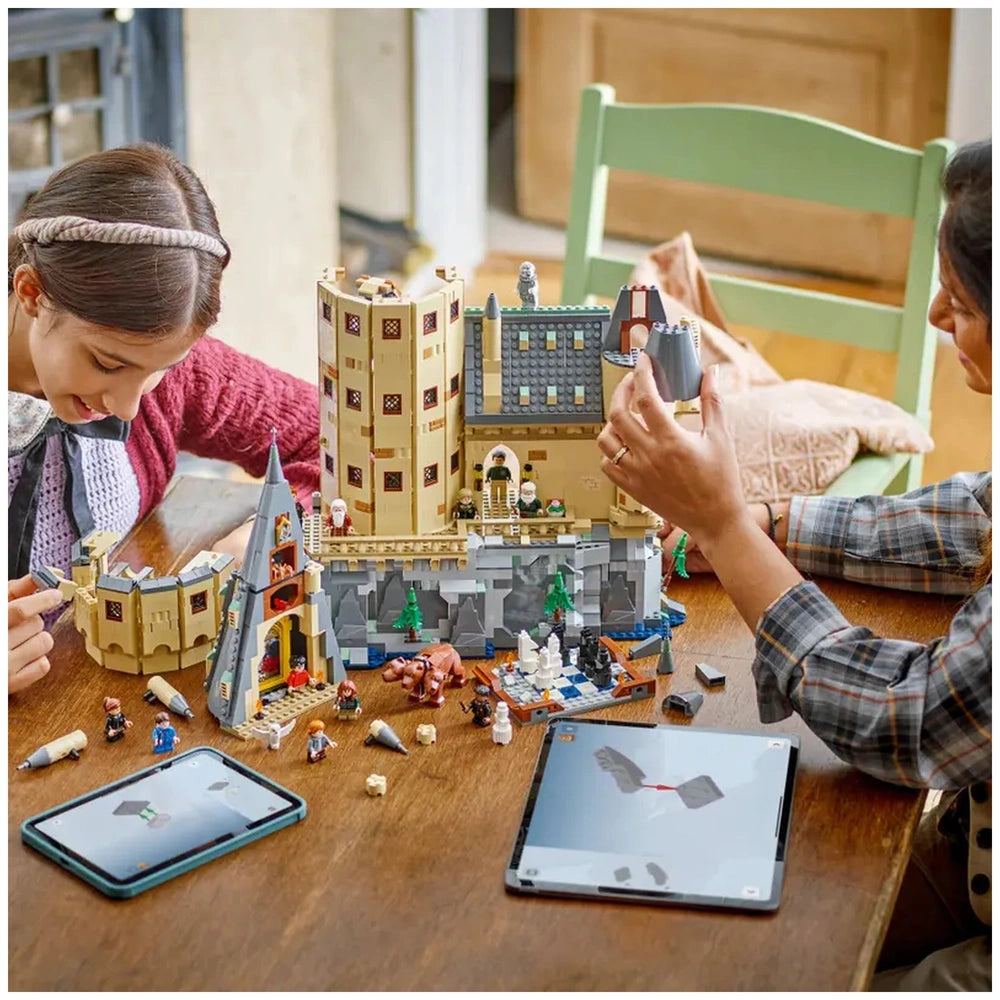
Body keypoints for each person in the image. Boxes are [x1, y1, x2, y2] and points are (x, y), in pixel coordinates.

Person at [597, 140, 991, 989]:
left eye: (957, 300)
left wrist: (729, 527)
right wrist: (780, 524)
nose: (932, 315)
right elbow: (972, 517)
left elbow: (909, 720)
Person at [8, 144, 320, 694]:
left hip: (116, 690)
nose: (129, 407)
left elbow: (337, 435)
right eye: (107, 363)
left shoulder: (155, 362)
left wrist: (267, 536)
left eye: (159, 370)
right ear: (32, 293)